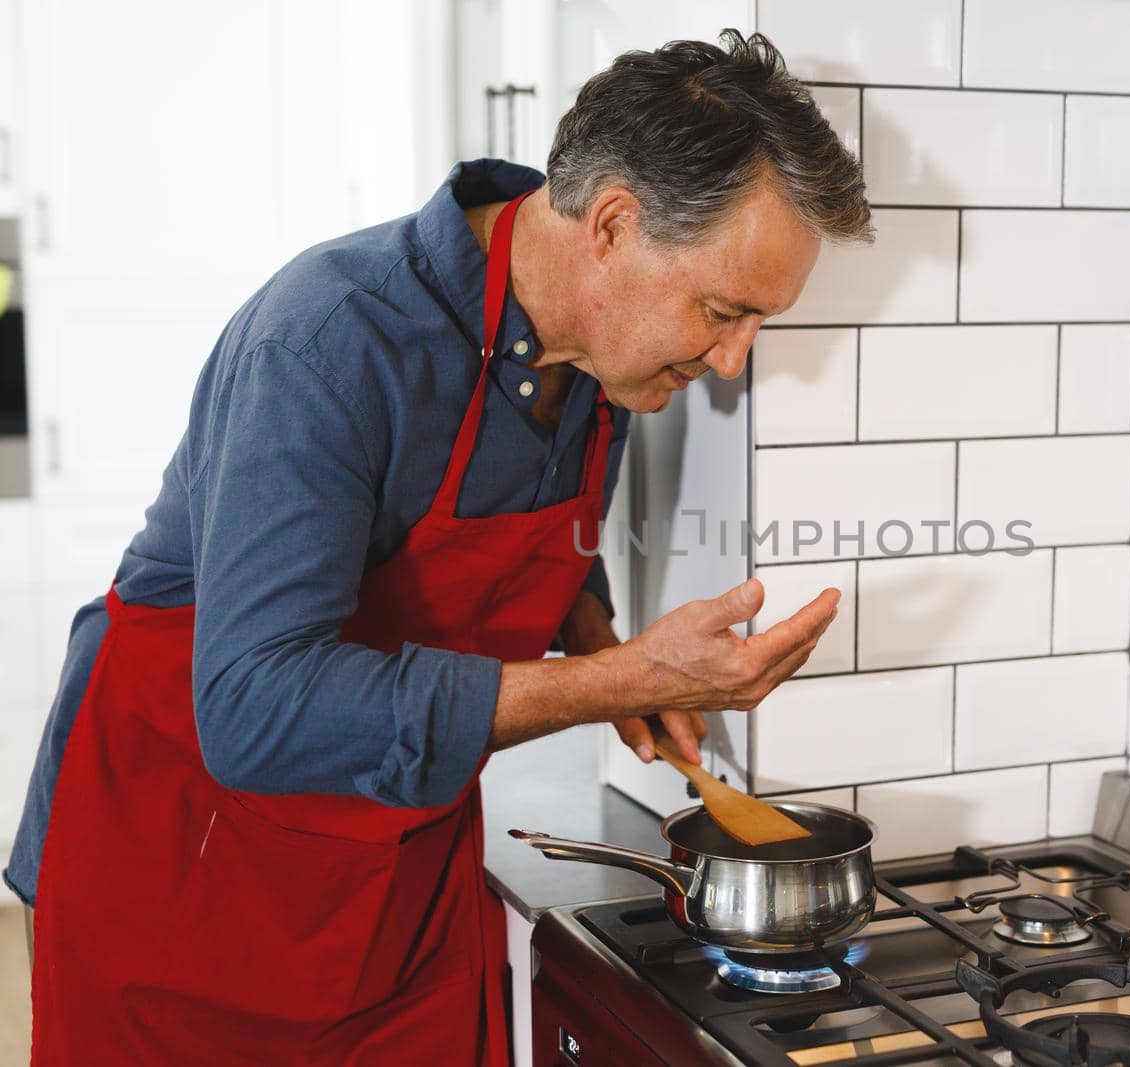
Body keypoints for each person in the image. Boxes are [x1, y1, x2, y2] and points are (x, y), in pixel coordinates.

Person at [5, 29, 870, 1064]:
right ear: (612, 225)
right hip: (185, 871)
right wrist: (610, 680)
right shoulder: (329, 340)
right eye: (722, 312)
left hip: (391, 882)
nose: (730, 361)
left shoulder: (604, 355)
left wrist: (604, 644)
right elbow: (253, 710)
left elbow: (526, 546)